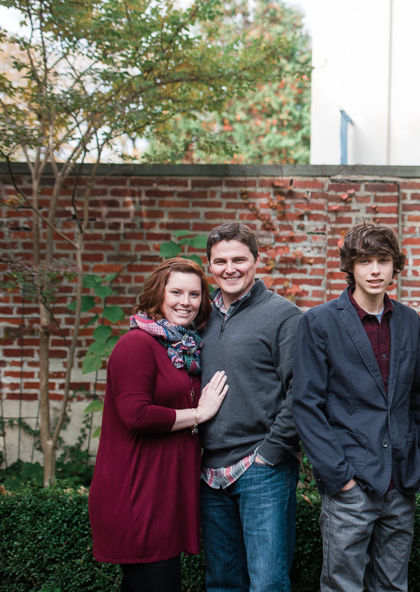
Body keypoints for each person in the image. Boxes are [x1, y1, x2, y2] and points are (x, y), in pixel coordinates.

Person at [292, 221, 420, 592]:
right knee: (343, 586)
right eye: (365, 261)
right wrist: (340, 478)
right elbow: (307, 405)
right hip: (349, 482)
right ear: (351, 267)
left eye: (383, 260)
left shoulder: (409, 320)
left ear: (394, 266)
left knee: (392, 586)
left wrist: (419, 462)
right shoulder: (319, 322)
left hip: (400, 481)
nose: (375, 270)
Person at [90, 258, 229, 592]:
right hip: (137, 491)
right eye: (177, 292)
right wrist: (198, 413)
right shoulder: (137, 344)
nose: (186, 302)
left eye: (195, 294)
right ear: (158, 294)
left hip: (165, 490)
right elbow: (135, 415)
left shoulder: (182, 348)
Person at [199, 223, 303, 592]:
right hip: (209, 471)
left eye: (239, 259)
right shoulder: (200, 316)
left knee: (268, 583)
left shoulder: (283, 315)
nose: (230, 268)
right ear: (209, 264)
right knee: (222, 582)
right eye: (220, 261)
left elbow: (301, 391)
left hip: (262, 468)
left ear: (258, 260)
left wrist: (270, 452)